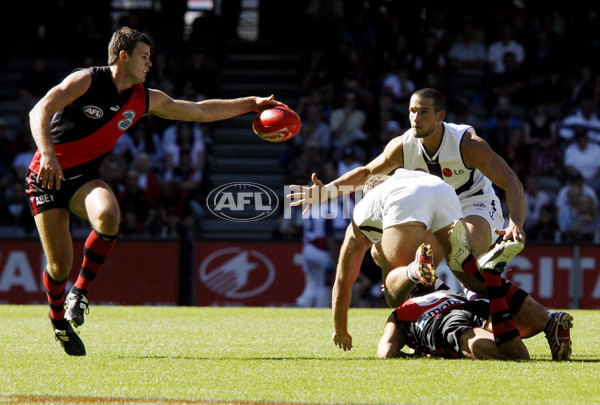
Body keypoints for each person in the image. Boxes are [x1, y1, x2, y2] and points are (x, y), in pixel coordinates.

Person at [26, 26, 287, 356]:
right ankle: (58, 322)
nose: (150, 64)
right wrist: (48, 154)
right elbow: (40, 110)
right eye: (144, 57)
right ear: (123, 56)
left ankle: (80, 292)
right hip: (46, 176)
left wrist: (250, 103)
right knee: (59, 265)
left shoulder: (144, 97)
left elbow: (201, 111)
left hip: (84, 177)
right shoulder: (87, 80)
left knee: (108, 216)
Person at [289, 88, 573, 361]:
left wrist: (516, 222)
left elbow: (510, 180)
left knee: (465, 262)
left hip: (474, 203)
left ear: (440, 117)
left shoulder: (466, 144)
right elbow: (366, 172)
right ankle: (537, 318)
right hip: (435, 208)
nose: (416, 118)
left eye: (424, 112)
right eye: (412, 111)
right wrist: (325, 191)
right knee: (443, 272)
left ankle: (472, 296)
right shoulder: (403, 145)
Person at [377, 282, 530, 360]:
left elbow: (386, 352)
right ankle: (494, 282)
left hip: (443, 321)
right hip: (467, 305)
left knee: (516, 356)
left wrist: (419, 356)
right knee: (524, 333)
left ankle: (493, 281)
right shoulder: (443, 290)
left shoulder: (400, 313)